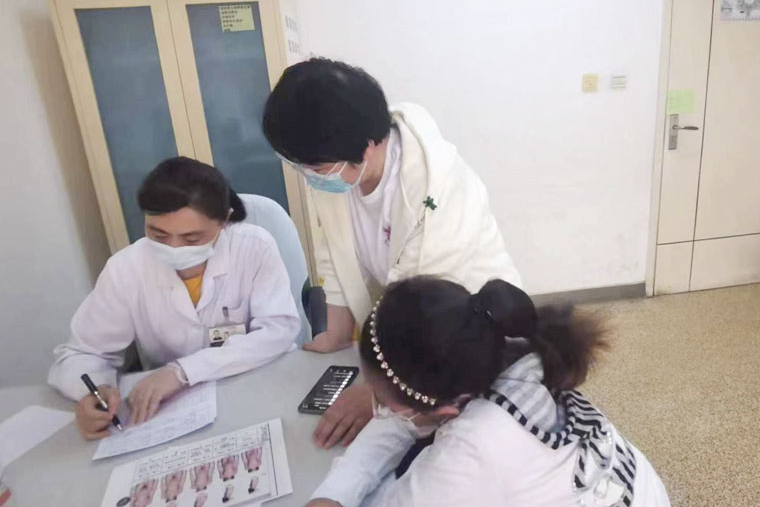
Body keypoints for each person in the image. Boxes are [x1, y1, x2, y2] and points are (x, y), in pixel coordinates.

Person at [263, 58, 521, 447]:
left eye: (315, 166)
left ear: (370, 145)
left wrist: (375, 390)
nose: (308, 175)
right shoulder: (336, 173)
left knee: (460, 440)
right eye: (297, 165)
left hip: (467, 329)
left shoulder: (437, 187)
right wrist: (335, 334)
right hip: (408, 332)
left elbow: (426, 307)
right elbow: (335, 253)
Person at [308, 276, 671, 507]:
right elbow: (409, 421)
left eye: (382, 405)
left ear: (444, 410)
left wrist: (332, 492)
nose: (377, 412)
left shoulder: (474, 448)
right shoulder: (511, 349)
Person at [49, 157, 301, 440]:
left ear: (224, 220)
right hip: (172, 412)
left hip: (253, 385)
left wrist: (183, 371)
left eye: (192, 239)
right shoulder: (126, 268)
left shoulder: (254, 247)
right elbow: (82, 353)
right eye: (158, 234)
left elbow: (278, 330)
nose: (174, 248)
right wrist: (94, 392)